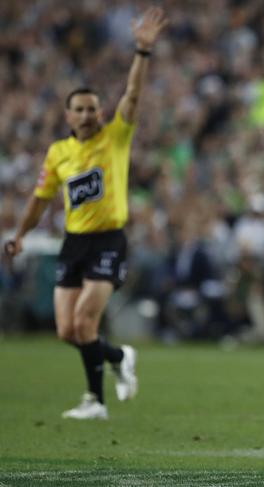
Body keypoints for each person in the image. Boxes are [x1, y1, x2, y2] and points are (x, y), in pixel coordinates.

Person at [3, 7, 168, 420]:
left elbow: (131, 96)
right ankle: (118, 355)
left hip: (109, 239)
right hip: (73, 242)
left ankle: (95, 401)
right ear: (68, 115)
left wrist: (142, 54)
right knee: (67, 331)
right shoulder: (59, 152)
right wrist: (20, 234)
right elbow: (41, 199)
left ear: (99, 112)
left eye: (92, 108)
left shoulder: (115, 137)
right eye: (79, 109)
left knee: (83, 321)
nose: (87, 114)